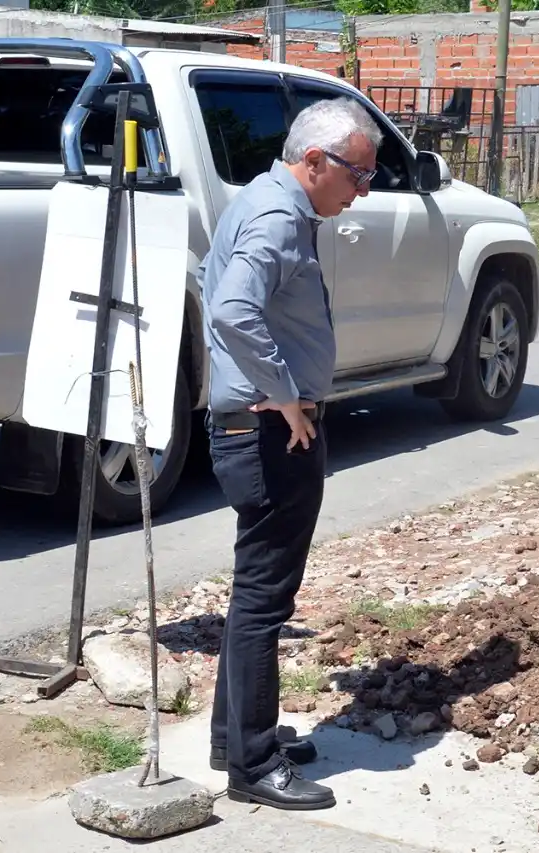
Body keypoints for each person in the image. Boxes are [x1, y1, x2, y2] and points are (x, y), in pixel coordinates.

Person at [199, 96, 382, 810]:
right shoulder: (279, 214)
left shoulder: (267, 201)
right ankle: (252, 765)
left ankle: (234, 734)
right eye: (357, 174)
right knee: (263, 598)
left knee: (254, 591)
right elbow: (231, 307)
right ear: (315, 161)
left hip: (259, 423)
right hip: (271, 429)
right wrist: (280, 390)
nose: (362, 189)